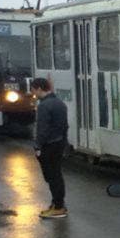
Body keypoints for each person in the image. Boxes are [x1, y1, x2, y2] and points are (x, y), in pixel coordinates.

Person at [31, 78, 68, 219]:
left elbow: (42, 129)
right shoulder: (60, 103)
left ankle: (58, 207)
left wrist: (38, 146)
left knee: (52, 177)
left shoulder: (44, 106)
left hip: (49, 145)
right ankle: (58, 204)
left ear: (40, 88)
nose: (33, 93)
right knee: (57, 175)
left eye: (33, 90)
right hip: (59, 143)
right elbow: (64, 126)